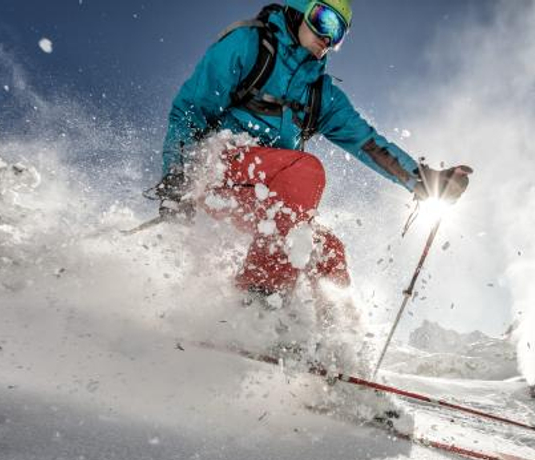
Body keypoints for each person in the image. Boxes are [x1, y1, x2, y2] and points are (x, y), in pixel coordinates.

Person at [156, 0, 473, 302]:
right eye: (325, 20)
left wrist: (424, 181)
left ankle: (326, 341)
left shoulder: (319, 94)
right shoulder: (249, 44)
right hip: (219, 167)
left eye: (339, 34)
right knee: (306, 171)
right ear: (298, 8)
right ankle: (257, 302)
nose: (327, 37)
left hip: (266, 193)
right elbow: (189, 111)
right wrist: (176, 178)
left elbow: (368, 143)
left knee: (327, 251)